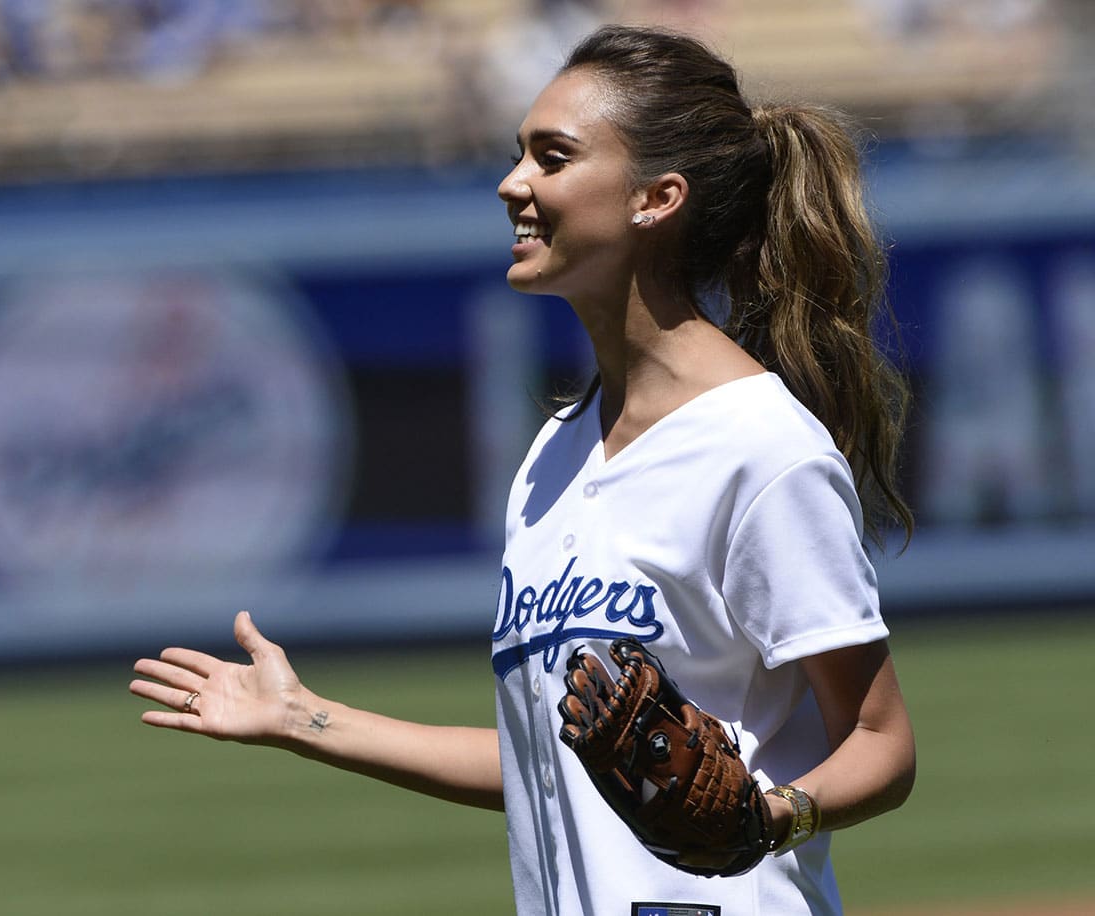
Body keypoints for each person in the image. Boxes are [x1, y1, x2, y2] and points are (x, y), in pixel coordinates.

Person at [130, 24, 916, 916]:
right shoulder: (556, 453)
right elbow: (552, 765)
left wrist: (771, 816)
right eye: (518, 156)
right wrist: (306, 718)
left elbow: (882, 741)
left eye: (554, 157)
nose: (513, 183)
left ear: (655, 199)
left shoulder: (761, 447)